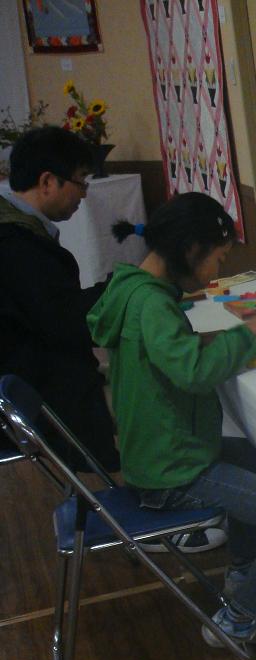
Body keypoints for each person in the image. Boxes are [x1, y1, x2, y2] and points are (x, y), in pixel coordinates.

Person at [88, 192, 256, 645]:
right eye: (218, 259)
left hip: (163, 453)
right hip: (173, 471)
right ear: (191, 250)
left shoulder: (132, 288)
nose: (217, 271)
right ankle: (248, 616)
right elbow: (192, 372)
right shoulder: (153, 303)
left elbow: (169, 348)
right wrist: (244, 339)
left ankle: (246, 571)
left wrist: (223, 336)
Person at [0, 125, 118, 471]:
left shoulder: (17, 230)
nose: (84, 194)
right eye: (81, 181)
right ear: (48, 181)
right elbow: (67, 322)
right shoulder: (16, 246)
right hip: (43, 387)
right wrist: (122, 286)